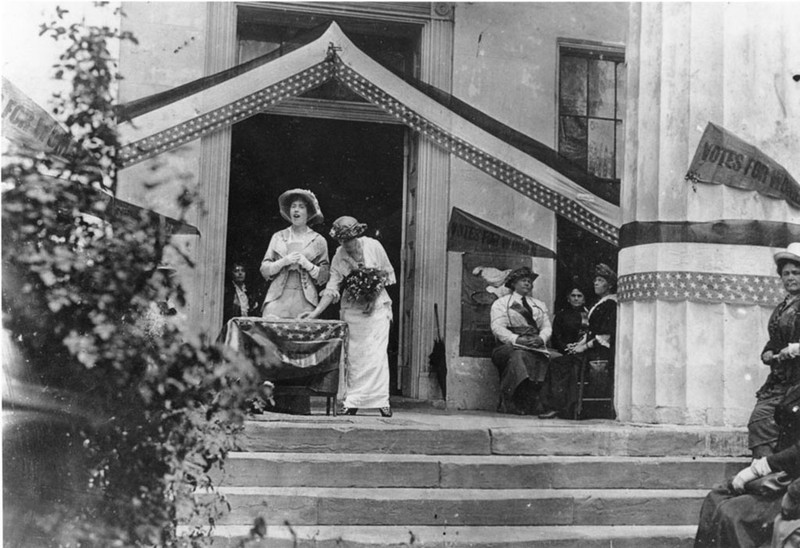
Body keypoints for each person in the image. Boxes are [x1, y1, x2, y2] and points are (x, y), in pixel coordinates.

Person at [300, 216, 396, 418]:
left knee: (376, 355)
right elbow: (332, 286)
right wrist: (315, 313)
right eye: (342, 241)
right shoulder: (339, 256)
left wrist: (373, 296)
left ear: (357, 235)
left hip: (377, 309)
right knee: (354, 356)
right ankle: (352, 401)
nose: (346, 244)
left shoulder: (373, 246)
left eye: (349, 239)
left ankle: (381, 400)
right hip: (352, 310)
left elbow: (386, 274)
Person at [694, 381, 800, 548]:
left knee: (731, 513)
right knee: (715, 498)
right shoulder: (795, 387)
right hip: (786, 472)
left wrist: (761, 468)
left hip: (794, 488)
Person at [539, 263, 617, 420]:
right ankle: (564, 406)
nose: (596, 283)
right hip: (592, 348)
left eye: (601, 280)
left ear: (609, 285)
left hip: (599, 352)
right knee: (562, 361)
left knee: (559, 364)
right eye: (596, 280)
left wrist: (584, 347)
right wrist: (579, 344)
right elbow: (591, 331)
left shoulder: (610, 304)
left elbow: (606, 334)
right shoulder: (601, 303)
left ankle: (558, 407)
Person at [747, 242, 800, 459]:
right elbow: (775, 341)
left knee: (778, 419)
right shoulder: (783, 307)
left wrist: (796, 348)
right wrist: (768, 353)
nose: (790, 278)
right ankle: (763, 478)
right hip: (781, 380)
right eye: (786, 273)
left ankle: (777, 477)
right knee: (760, 419)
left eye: (796, 272)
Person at [489, 266, 552, 415]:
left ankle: (541, 402)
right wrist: (517, 339)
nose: (527, 284)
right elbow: (497, 328)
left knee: (556, 359)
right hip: (508, 346)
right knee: (520, 356)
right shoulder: (501, 303)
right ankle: (510, 401)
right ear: (513, 283)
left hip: (535, 345)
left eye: (529, 281)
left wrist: (541, 338)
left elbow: (547, 326)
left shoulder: (539, 305)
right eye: (523, 281)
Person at [260, 189, 330, 319]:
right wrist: (283, 261)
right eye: (293, 207)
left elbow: (324, 277)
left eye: (301, 207)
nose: (296, 210)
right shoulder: (278, 236)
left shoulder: (319, 240)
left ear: (308, 212)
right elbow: (264, 269)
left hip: (306, 299)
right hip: (277, 297)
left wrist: (307, 264)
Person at [550, 286, 589, 354]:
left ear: (584, 300)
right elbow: (555, 337)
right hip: (567, 351)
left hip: (585, 349)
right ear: (568, 299)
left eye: (579, 296)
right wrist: (565, 346)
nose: (576, 298)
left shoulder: (589, 315)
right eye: (573, 296)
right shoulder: (561, 315)